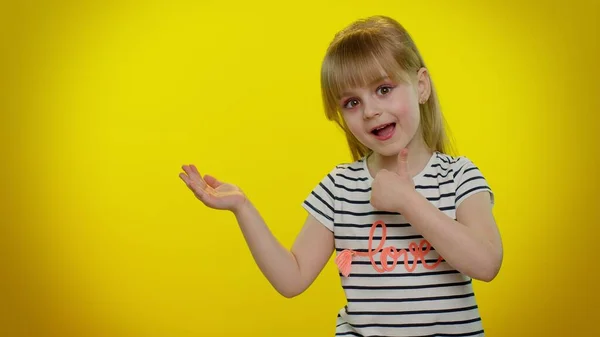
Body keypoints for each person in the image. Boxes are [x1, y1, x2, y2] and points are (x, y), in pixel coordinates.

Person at [179, 15, 503, 337]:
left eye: (384, 89)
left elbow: (486, 264)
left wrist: (408, 200)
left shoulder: (460, 177)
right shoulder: (340, 188)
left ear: (421, 86)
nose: (370, 110)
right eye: (352, 102)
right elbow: (292, 279)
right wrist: (242, 208)